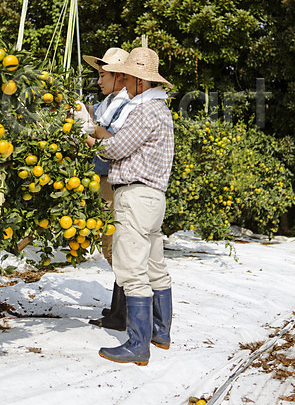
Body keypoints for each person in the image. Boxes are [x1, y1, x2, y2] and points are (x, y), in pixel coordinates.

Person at [85, 47, 174, 366]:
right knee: (154, 266)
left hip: (136, 196)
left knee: (131, 270)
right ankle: (160, 332)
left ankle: (138, 344)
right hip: (153, 197)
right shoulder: (161, 109)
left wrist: (90, 137)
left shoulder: (145, 110)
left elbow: (114, 149)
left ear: (138, 80)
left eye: (127, 76)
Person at [80, 47, 130, 331]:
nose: (98, 81)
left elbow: (115, 139)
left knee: (115, 248)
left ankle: (124, 314)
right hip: (105, 178)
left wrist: (92, 132)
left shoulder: (126, 105)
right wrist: (75, 107)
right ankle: (118, 310)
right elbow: (94, 114)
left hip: (115, 179)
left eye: (102, 75)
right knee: (113, 245)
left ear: (120, 77)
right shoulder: (111, 100)